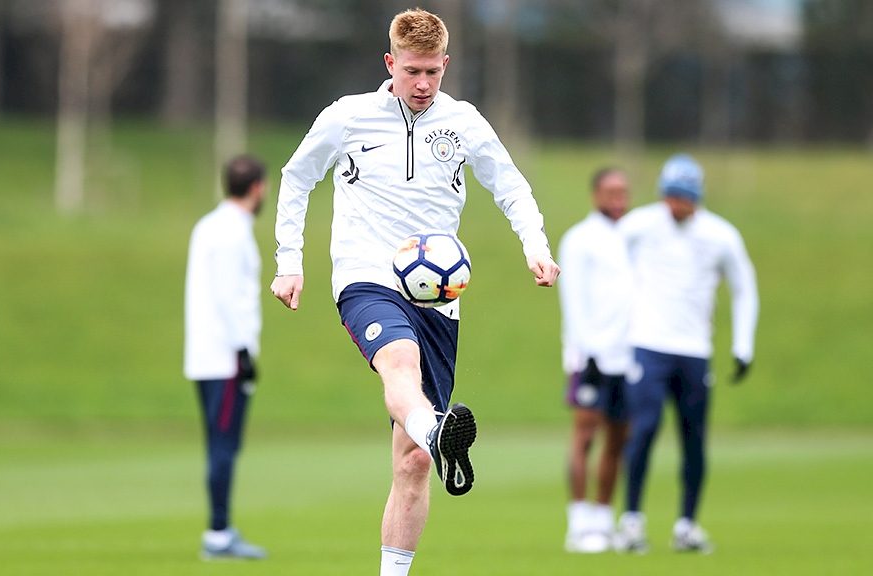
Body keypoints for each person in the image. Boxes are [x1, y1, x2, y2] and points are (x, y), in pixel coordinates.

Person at [269, 9, 560, 576]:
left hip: (439, 296)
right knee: (398, 364)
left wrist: (536, 246)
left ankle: (398, 555)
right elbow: (296, 177)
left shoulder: (464, 122)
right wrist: (289, 261)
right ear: (390, 63)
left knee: (412, 465)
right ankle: (437, 431)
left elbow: (512, 187)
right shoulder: (347, 117)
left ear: (445, 64)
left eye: (432, 72)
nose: (422, 85)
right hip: (367, 278)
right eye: (411, 72)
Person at [616, 154, 758, 554]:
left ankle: (687, 524)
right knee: (643, 429)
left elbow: (744, 288)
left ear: (697, 198)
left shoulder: (721, 235)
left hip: (695, 349)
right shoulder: (640, 226)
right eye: (671, 196)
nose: (676, 205)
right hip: (648, 344)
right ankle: (631, 520)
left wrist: (742, 345)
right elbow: (608, 270)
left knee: (694, 437)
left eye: (684, 198)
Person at [184, 155, 269, 560]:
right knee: (224, 445)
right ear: (256, 188)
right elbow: (227, 296)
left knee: (219, 444)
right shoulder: (234, 233)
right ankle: (218, 533)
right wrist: (243, 351)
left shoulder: (207, 226)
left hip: (203, 354)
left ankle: (220, 526)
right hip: (226, 357)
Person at [557, 168, 634, 553]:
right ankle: (578, 522)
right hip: (590, 356)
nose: (618, 198)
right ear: (596, 195)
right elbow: (574, 301)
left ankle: (603, 520)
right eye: (611, 191)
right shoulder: (580, 239)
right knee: (585, 435)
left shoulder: (635, 236)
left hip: (628, 356)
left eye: (623, 191)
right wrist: (582, 353)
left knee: (618, 439)